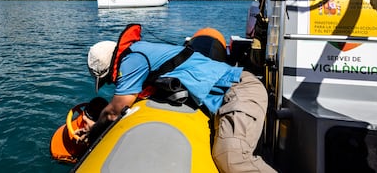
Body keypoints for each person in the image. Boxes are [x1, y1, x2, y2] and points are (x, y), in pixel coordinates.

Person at [81, 24, 275, 173]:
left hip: (238, 88)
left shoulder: (132, 59)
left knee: (232, 158)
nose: (113, 83)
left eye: (108, 80)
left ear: (108, 68)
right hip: (228, 93)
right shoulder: (139, 52)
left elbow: (115, 111)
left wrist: (93, 132)